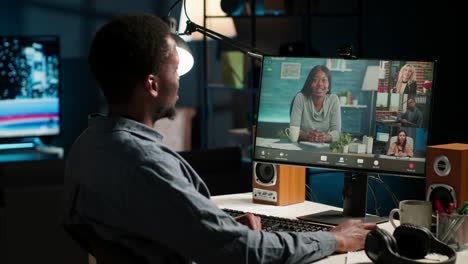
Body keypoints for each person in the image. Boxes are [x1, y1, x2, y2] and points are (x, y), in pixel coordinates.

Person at [63, 13, 376, 264]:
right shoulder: (145, 163)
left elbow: (146, 227)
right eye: (174, 69)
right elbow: (247, 252)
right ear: (152, 84)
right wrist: (334, 239)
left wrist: (216, 229)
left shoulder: (88, 146)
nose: (179, 81)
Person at [290, 65, 341, 143]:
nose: (320, 84)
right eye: (315, 80)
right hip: (301, 147)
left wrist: (325, 137)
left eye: (324, 80)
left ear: (328, 85)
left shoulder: (333, 100)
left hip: (325, 148)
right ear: (310, 83)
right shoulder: (300, 97)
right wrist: (307, 137)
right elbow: (294, 129)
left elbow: (337, 132)